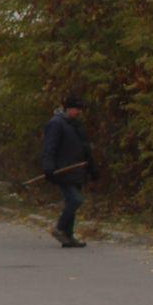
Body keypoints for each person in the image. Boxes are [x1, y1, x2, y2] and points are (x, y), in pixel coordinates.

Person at [40, 95, 96, 248]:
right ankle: (59, 229)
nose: (79, 112)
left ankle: (68, 236)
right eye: (76, 109)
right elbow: (49, 147)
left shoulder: (75, 125)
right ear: (68, 108)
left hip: (77, 170)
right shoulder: (56, 124)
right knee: (75, 200)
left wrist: (91, 167)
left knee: (72, 201)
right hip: (63, 171)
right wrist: (49, 167)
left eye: (80, 110)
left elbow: (84, 147)